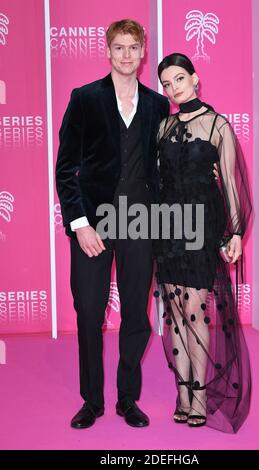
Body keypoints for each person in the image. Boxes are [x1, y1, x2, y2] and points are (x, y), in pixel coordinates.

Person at [56, 19, 169, 429]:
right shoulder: (85, 98)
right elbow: (65, 169)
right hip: (94, 222)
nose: (126, 55)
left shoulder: (158, 105)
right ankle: (92, 400)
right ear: (107, 51)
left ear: (142, 53)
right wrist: (80, 224)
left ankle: (127, 399)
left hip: (141, 220)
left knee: (136, 314)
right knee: (88, 311)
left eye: (133, 48)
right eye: (118, 47)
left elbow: (163, 168)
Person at [153, 53, 252, 433]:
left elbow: (229, 183)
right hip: (166, 227)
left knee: (196, 311)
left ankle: (198, 396)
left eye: (179, 79)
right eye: (166, 83)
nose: (173, 88)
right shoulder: (162, 127)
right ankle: (182, 395)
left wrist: (237, 233)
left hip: (201, 228)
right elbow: (157, 180)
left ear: (195, 79)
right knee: (175, 312)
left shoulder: (218, 126)